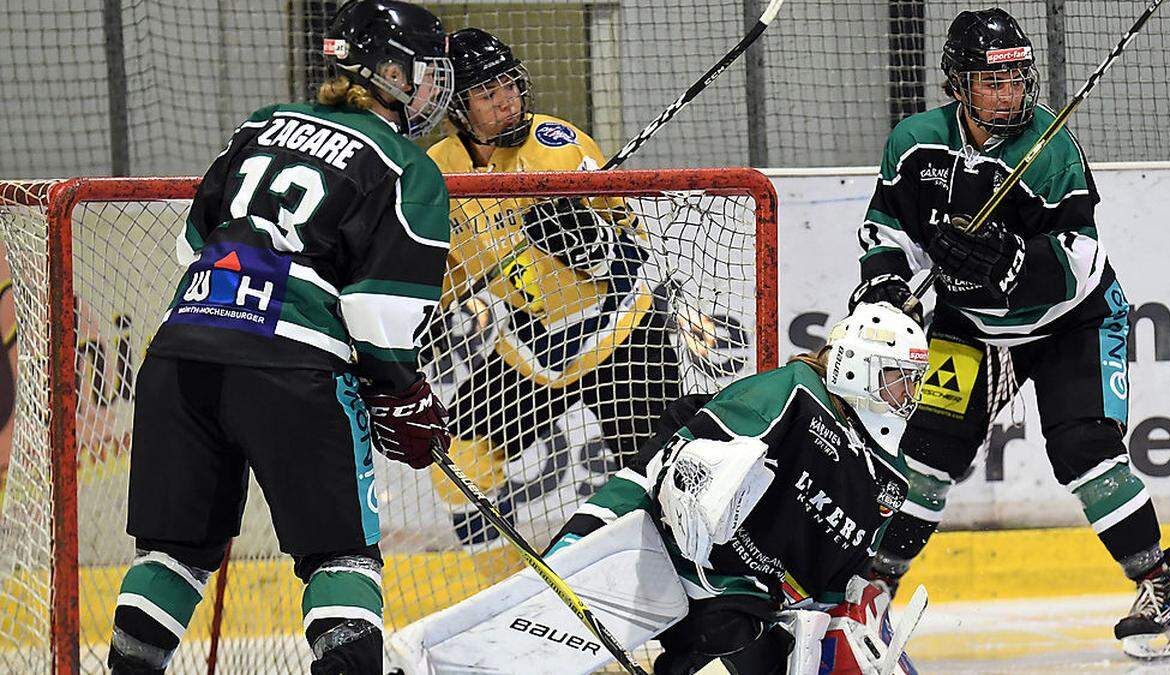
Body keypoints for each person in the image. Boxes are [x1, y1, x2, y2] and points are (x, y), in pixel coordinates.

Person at [105, 2, 455, 674]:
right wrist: (402, 390)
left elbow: (191, 245)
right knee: (340, 557)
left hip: (181, 357)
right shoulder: (405, 165)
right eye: (421, 72)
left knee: (172, 555)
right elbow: (378, 319)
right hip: (292, 372)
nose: (429, 88)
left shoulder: (262, 124)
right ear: (385, 69)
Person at [849, 7, 1170, 659]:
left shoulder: (1052, 148)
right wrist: (888, 283)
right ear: (957, 83)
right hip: (971, 329)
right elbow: (887, 230)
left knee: (1085, 447)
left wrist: (1015, 262)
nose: (1008, 95)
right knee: (924, 459)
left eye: (1016, 79)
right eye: (991, 81)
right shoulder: (914, 144)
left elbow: (1084, 259)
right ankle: (871, 592)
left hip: (1071, 322)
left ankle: (1157, 586)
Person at [547, 302, 929, 674]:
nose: (910, 394)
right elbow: (680, 458)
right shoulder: (794, 393)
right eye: (899, 377)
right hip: (662, 527)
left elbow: (836, 583)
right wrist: (684, 496)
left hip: (738, 584)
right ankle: (570, 561)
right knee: (587, 557)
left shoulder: (889, 477)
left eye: (914, 380)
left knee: (734, 634)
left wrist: (835, 632)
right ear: (856, 369)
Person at [424, 29, 680, 544]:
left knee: (666, 477)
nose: (507, 103)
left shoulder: (559, 146)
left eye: (509, 86)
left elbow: (633, 239)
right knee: (459, 458)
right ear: (459, 109)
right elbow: (444, 269)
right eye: (488, 95)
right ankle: (511, 590)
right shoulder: (439, 169)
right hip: (534, 346)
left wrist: (595, 247)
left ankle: (686, 596)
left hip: (623, 333)